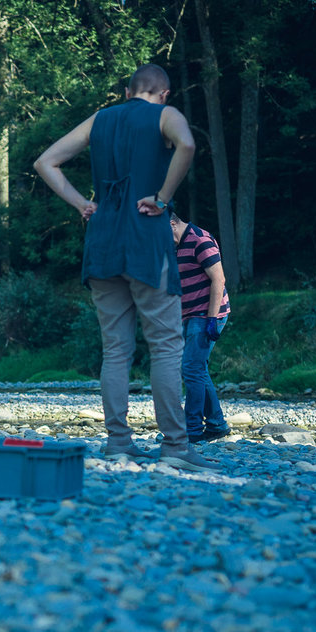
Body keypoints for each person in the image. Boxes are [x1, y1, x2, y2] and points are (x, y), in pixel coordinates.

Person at [33, 63, 218, 472]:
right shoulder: (166, 115)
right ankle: (175, 446)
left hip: (102, 243)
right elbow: (187, 145)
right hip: (146, 242)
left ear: (129, 91)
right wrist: (163, 198)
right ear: (164, 93)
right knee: (165, 346)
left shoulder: (101, 119)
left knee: (115, 350)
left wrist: (82, 203)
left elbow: (46, 162)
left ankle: (118, 442)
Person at [171, 213, 232, 442]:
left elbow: (219, 279)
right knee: (197, 369)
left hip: (207, 314)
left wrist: (211, 319)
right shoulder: (175, 245)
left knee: (191, 368)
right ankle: (216, 425)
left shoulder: (200, 240)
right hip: (188, 315)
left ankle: (193, 430)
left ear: (172, 223)